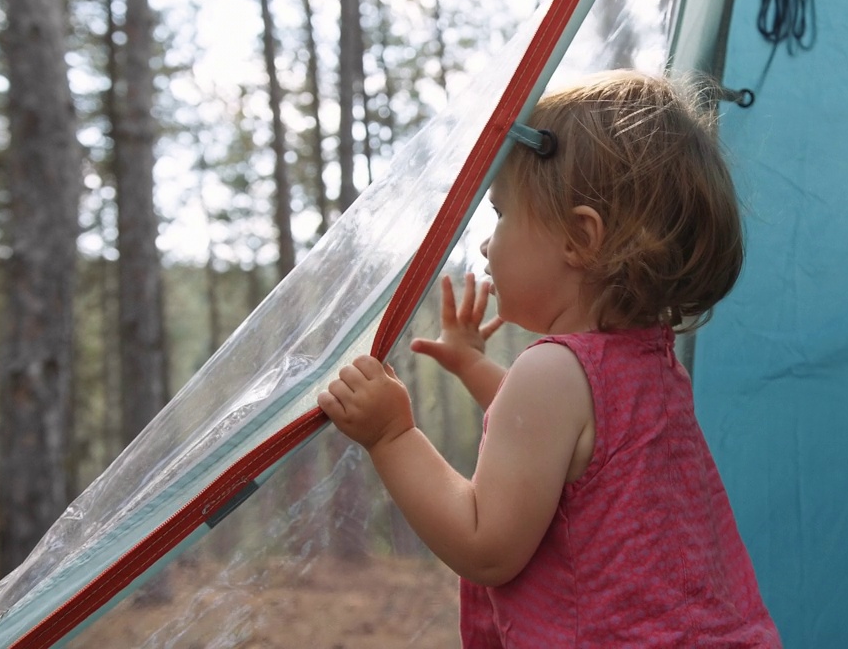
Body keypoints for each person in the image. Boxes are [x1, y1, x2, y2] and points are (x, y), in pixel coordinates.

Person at [318, 70, 781, 647]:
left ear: (580, 239)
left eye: (501, 213)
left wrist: (391, 436)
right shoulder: (655, 362)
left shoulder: (550, 373)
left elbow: (487, 548)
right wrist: (474, 367)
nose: (486, 244)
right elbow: (569, 449)